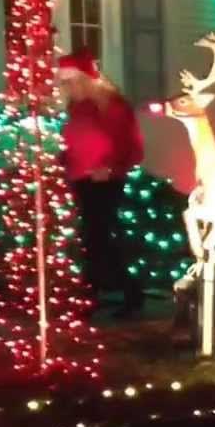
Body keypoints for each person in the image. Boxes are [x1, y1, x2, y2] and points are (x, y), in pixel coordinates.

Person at [56, 49, 146, 317]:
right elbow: (75, 140)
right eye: (65, 83)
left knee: (101, 239)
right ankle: (99, 295)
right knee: (94, 240)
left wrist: (110, 167)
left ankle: (114, 294)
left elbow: (131, 146)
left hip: (104, 182)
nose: (68, 88)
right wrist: (63, 159)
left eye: (72, 82)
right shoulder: (79, 107)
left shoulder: (114, 107)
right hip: (81, 179)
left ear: (86, 80)